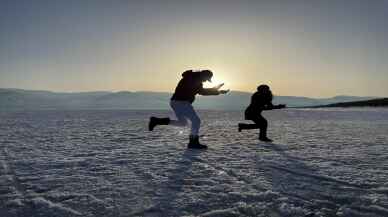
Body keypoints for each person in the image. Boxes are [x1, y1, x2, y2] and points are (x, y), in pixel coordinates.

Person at [148, 70, 229, 149]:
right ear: (203, 75)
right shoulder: (193, 79)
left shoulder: (192, 77)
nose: (205, 81)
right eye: (206, 79)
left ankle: (157, 121)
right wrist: (217, 91)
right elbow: (202, 91)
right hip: (181, 102)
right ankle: (193, 142)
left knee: (183, 123)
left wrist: (216, 90)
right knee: (196, 121)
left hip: (175, 102)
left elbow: (200, 90)